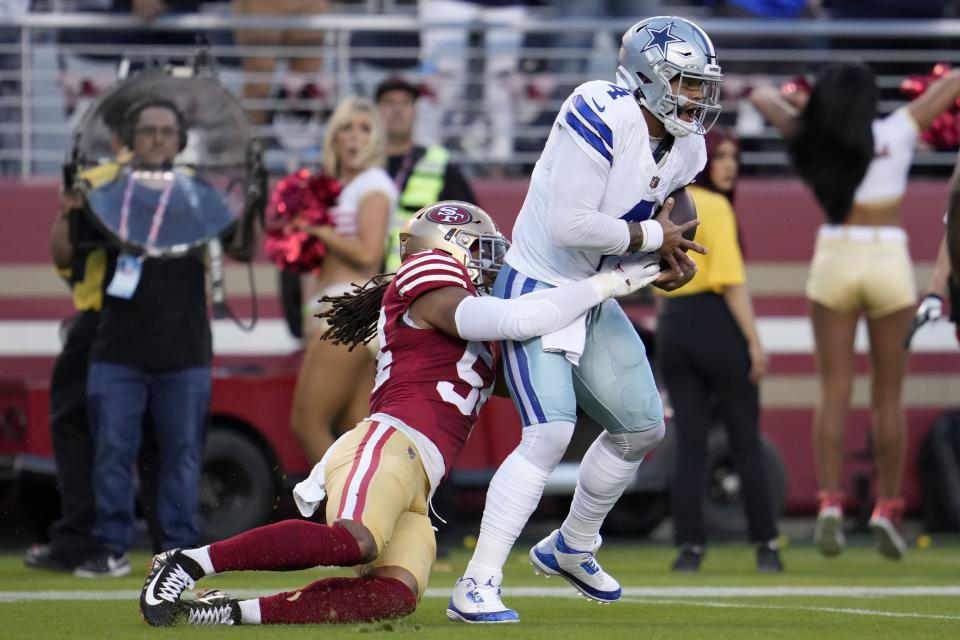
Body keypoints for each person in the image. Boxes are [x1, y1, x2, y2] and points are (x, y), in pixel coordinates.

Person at [137, 200, 665, 627]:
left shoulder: (472, 331)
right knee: (352, 541)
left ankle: (229, 612)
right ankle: (188, 562)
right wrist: (609, 283)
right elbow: (520, 315)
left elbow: (536, 365)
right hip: (388, 444)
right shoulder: (427, 277)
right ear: (448, 246)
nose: (492, 262)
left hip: (421, 480)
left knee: (393, 596)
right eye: (481, 250)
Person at [448, 16, 716, 623]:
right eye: (687, 83)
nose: (697, 98)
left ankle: (573, 543)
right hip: (538, 286)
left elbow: (677, 194)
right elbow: (572, 224)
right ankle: (476, 583)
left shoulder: (687, 142)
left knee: (644, 428)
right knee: (546, 435)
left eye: (702, 85)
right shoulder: (598, 106)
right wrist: (654, 235)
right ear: (647, 77)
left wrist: (676, 245)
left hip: (595, 293)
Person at [750, 61, 960, 560]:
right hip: (887, 255)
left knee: (833, 389)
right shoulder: (897, 128)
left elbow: (760, 95)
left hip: (835, 254)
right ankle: (888, 507)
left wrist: (805, 105)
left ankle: (828, 504)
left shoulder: (814, 137)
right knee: (889, 397)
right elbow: (951, 84)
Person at [71, 96, 240, 577]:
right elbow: (67, 251)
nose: (159, 139)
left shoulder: (199, 195)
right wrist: (67, 210)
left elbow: (242, 245)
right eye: (149, 131)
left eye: (168, 131)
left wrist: (250, 197)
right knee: (112, 451)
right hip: (116, 345)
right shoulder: (105, 192)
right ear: (131, 139)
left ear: (181, 140)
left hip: (184, 347)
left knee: (182, 454)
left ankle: (178, 553)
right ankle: (110, 547)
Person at [655, 127, 782, 573]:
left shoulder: (669, 201)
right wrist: (754, 342)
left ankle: (689, 548)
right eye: (721, 157)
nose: (728, 165)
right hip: (716, 326)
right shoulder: (718, 207)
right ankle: (766, 544)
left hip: (673, 328)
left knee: (689, 445)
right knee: (745, 441)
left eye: (734, 157)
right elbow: (731, 283)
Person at [289, 96, 397, 464]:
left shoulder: (374, 184)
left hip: (347, 308)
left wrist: (317, 229)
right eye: (346, 127)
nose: (354, 137)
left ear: (377, 139)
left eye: (365, 128)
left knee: (307, 423)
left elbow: (368, 254)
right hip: (342, 309)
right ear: (334, 136)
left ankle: (347, 510)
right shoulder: (337, 186)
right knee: (355, 428)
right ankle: (373, 512)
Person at [374, 75, 477, 272]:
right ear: (376, 110)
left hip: (419, 280)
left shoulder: (439, 162)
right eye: (389, 102)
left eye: (405, 102)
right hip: (363, 283)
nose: (397, 110)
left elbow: (469, 222)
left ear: (415, 111)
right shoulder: (361, 163)